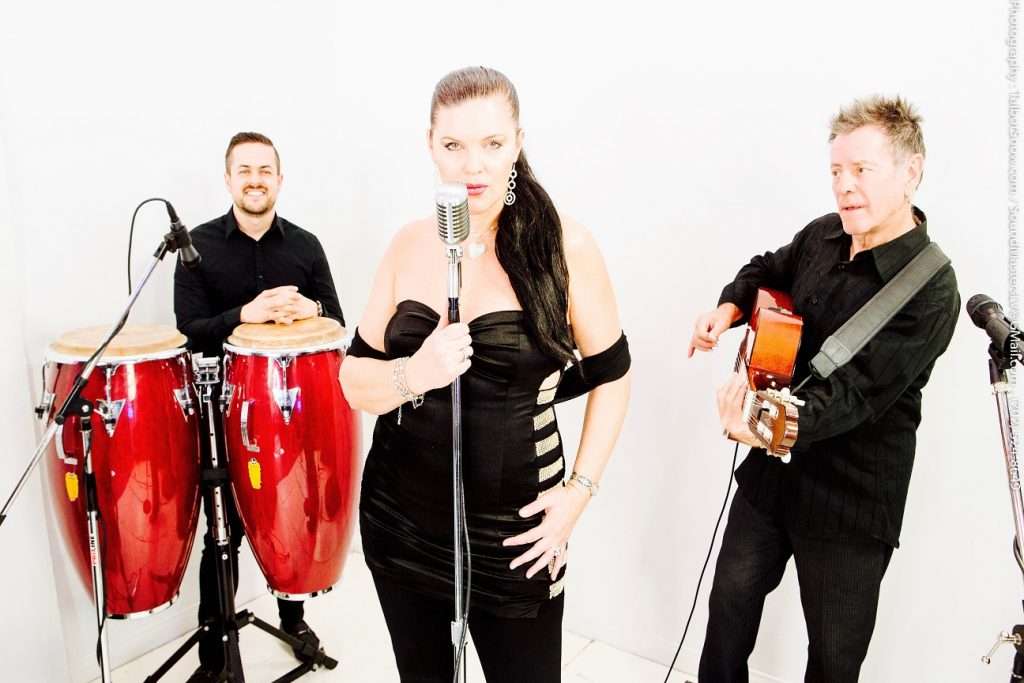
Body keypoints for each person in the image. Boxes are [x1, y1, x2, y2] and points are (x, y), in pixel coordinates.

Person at [339, 66, 631, 682]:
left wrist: (578, 493)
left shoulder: (566, 248)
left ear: (518, 143)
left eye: (492, 143)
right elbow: (352, 379)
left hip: (516, 535)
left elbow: (613, 375)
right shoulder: (408, 246)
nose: (473, 165)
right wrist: (413, 373)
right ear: (430, 145)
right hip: (399, 518)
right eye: (453, 145)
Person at [689, 96, 959, 682]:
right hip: (772, 479)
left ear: (911, 171)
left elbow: (855, 398)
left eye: (862, 169)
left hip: (852, 500)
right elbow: (767, 269)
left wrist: (758, 425)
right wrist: (729, 308)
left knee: (834, 658)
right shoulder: (823, 235)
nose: (844, 186)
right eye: (836, 170)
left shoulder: (932, 290)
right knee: (729, 608)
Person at [174, 131, 344, 682]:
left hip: (293, 411)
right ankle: (215, 655)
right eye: (244, 170)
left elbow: (336, 320)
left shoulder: (306, 245)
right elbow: (188, 331)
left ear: (279, 179)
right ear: (228, 179)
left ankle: (293, 620)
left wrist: (310, 307)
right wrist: (243, 316)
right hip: (224, 413)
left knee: (291, 514)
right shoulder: (197, 247)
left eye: (264, 170)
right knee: (222, 532)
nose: (255, 180)